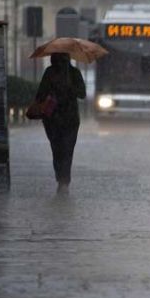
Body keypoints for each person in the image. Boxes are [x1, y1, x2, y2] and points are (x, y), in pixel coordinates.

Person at [34, 53, 86, 194]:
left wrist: (69, 89)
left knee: (62, 150)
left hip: (64, 119)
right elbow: (40, 94)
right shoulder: (52, 73)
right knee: (62, 150)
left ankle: (63, 180)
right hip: (56, 119)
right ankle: (63, 180)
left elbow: (82, 93)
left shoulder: (72, 73)